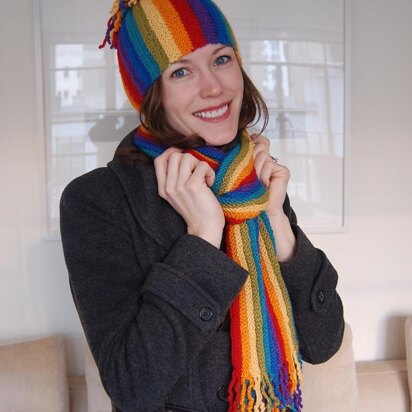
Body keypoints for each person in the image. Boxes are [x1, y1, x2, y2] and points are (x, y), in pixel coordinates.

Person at [60, 1, 344, 411]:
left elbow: (322, 343)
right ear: (151, 94)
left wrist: (277, 221)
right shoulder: (98, 200)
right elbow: (132, 386)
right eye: (181, 71)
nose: (214, 87)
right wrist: (202, 238)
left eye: (221, 59)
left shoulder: (254, 180)